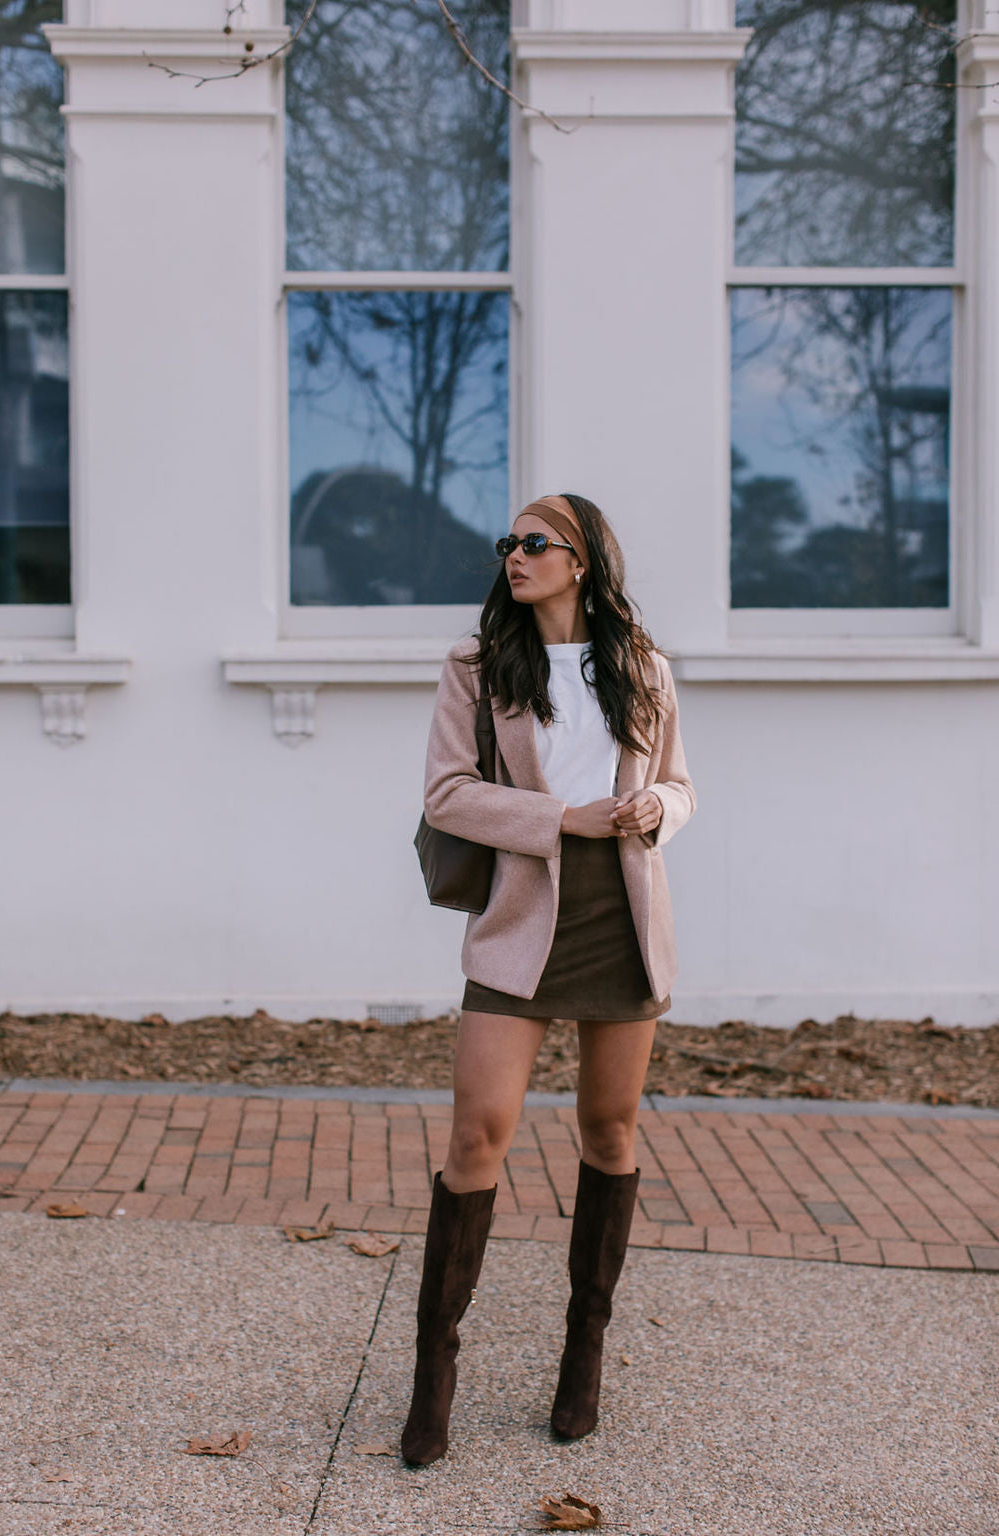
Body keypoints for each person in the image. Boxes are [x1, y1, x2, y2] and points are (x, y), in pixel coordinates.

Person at [401, 492, 697, 1466]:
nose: (514, 556)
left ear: (581, 560)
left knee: (609, 1129)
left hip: (622, 917)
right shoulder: (478, 666)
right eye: (509, 544)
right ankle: (433, 1377)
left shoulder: (641, 667)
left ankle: (583, 1356)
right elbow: (446, 793)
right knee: (477, 1132)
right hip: (522, 923)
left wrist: (651, 801)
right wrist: (556, 820)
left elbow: (680, 786)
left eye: (535, 542)